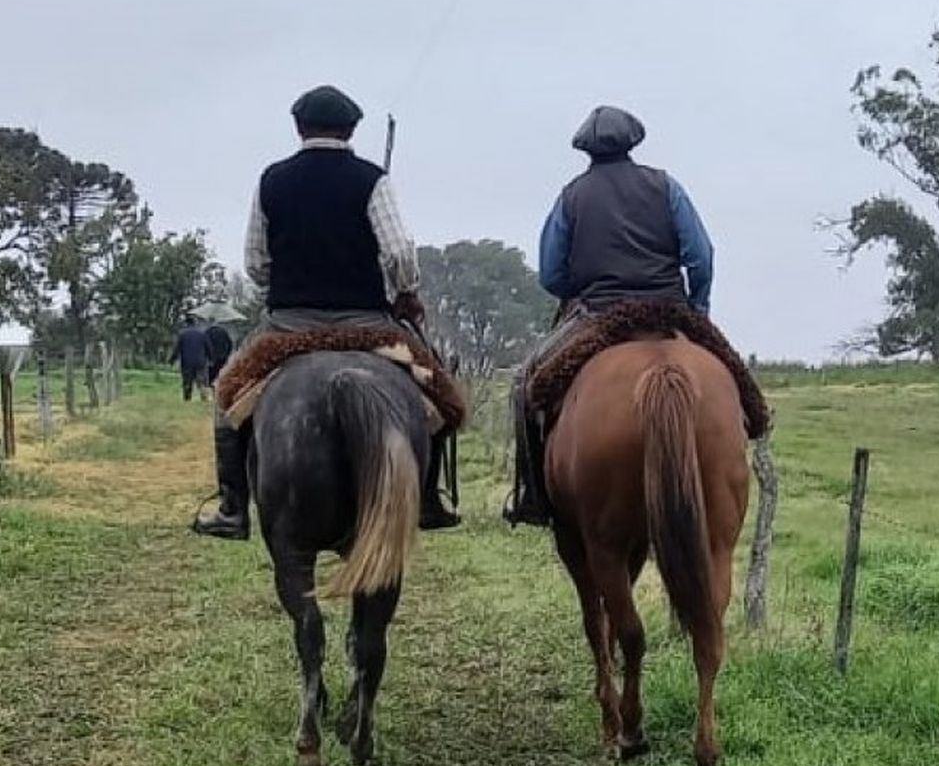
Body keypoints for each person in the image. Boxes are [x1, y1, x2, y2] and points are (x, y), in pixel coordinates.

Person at [191, 84, 462, 540]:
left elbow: (256, 262)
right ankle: (429, 498)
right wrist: (406, 291)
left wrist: (284, 283)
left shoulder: (271, 179)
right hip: (367, 326)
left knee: (225, 395)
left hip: (289, 325)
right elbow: (399, 251)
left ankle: (233, 507)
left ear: (298, 128)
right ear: (352, 129)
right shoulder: (372, 179)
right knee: (439, 394)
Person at [506, 104, 715, 527]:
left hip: (598, 315)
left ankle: (533, 496)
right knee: (739, 385)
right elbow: (701, 256)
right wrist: (699, 310)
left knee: (524, 383)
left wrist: (576, 290)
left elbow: (551, 273)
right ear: (632, 143)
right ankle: (748, 433)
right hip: (670, 308)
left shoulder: (572, 195)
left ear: (586, 149)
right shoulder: (666, 187)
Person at [173, 316, 212, 402]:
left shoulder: (182, 334)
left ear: (186, 323)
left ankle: (187, 398)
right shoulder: (202, 334)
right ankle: (204, 398)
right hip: (200, 361)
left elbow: (177, 348)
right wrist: (211, 358)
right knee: (201, 381)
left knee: (187, 381)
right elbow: (208, 348)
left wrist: (172, 359)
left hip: (187, 362)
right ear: (195, 323)